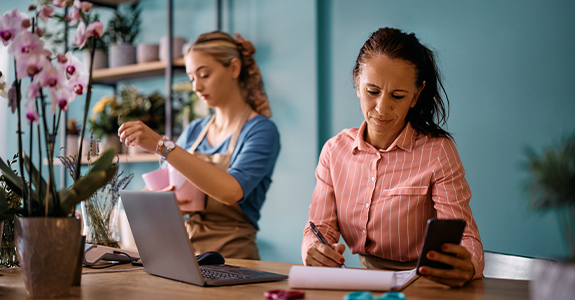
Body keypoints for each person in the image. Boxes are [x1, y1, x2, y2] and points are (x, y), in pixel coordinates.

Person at [302, 27, 484, 287]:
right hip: (367, 285)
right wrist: (314, 249)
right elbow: (319, 228)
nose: (382, 108)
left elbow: (466, 236)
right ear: (357, 82)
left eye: (397, 96)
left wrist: (469, 264)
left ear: (416, 95)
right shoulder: (334, 151)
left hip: (428, 285)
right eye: (372, 91)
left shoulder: (437, 151)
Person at [118, 31, 280, 260]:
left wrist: (162, 145)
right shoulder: (194, 130)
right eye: (192, 77)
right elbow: (163, 185)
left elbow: (230, 191)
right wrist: (165, 202)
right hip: (187, 257)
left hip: (235, 260)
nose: (196, 87)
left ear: (234, 68)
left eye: (204, 75)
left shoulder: (261, 131)